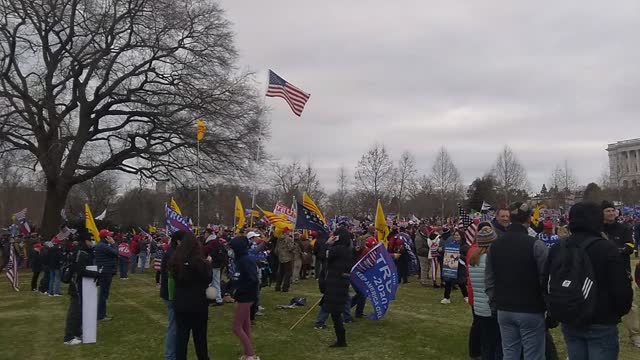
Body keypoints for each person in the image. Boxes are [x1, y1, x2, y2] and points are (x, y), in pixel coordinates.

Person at [543, 201, 633, 359]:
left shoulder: (559, 247)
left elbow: (546, 281)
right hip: (601, 319)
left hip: (569, 316)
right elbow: (621, 290)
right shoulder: (607, 249)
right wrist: (617, 312)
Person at [485, 202, 548, 360]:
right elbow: (546, 279)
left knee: (510, 354)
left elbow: (489, 279)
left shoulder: (494, 246)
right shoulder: (536, 245)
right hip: (531, 310)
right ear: (528, 219)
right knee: (533, 355)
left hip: (504, 309)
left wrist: (494, 304)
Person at [602, 200, 640, 348]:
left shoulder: (623, 228)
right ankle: (610, 335)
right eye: (608, 211)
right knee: (606, 303)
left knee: (630, 304)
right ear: (602, 213)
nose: (611, 213)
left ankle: (636, 335)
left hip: (623, 272)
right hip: (603, 273)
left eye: (613, 210)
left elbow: (630, 246)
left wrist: (619, 250)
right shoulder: (597, 229)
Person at [169, 231, 212, 360]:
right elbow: (208, 279)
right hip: (198, 303)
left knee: (181, 337)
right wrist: (208, 264)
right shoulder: (199, 262)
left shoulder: (176, 261)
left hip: (181, 303)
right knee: (200, 338)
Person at [467, 224, 502, 360]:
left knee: (486, 343)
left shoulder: (473, 260)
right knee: (497, 344)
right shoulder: (490, 260)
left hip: (479, 307)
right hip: (492, 307)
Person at [63, 232, 100, 345]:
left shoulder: (84, 252)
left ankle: (77, 333)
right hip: (77, 286)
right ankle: (68, 337)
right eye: (90, 240)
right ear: (86, 241)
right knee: (74, 312)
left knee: (80, 311)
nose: (92, 242)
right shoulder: (81, 253)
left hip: (82, 286)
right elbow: (80, 271)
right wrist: (96, 274)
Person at [319, 227, 352, 347]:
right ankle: (341, 339)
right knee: (336, 311)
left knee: (335, 313)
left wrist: (328, 244)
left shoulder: (338, 249)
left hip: (335, 283)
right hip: (341, 282)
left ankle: (341, 340)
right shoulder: (347, 250)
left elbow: (323, 256)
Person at [230, 236, 260, 360]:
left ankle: (251, 354)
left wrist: (238, 292)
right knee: (245, 325)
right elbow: (238, 278)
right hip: (244, 296)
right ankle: (248, 353)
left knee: (236, 327)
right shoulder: (239, 260)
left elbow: (253, 280)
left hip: (246, 297)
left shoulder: (246, 260)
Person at [160, 231, 180, 360]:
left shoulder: (172, 252)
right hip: (171, 295)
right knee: (174, 327)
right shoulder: (173, 255)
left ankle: (173, 354)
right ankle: (170, 356)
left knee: (176, 327)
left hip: (170, 293)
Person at [94, 229, 118, 321]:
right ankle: (100, 315)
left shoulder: (102, 245)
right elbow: (116, 252)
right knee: (103, 294)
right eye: (109, 236)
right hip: (105, 271)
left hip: (106, 271)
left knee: (104, 294)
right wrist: (113, 243)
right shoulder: (103, 246)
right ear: (106, 237)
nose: (111, 237)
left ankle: (102, 313)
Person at [440, 229, 469, 304]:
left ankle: (466, 296)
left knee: (461, 282)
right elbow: (445, 253)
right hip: (451, 265)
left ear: (461, 236)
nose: (456, 236)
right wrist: (440, 250)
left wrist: (460, 256)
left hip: (460, 266)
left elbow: (467, 258)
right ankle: (446, 298)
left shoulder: (465, 246)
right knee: (448, 281)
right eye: (455, 235)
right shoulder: (451, 244)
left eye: (458, 235)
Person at [203, 228, 225, 306]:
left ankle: (208, 298)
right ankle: (218, 299)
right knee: (216, 282)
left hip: (213, 264)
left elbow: (205, 251)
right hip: (218, 264)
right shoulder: (216, 241)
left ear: (208, 233)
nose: (204, 235)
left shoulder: (211, 242)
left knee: (209, 282)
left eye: (205, 233)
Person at [274, 227, 295, 292]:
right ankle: (285, 288)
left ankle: (277, 286)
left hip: (280, 257)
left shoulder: (279, 239)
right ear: (287, 232)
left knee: (281, 273)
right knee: (288, 273)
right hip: (287, 257)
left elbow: (276, 250)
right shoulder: (288, 239)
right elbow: (290, 248)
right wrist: (294, 245)